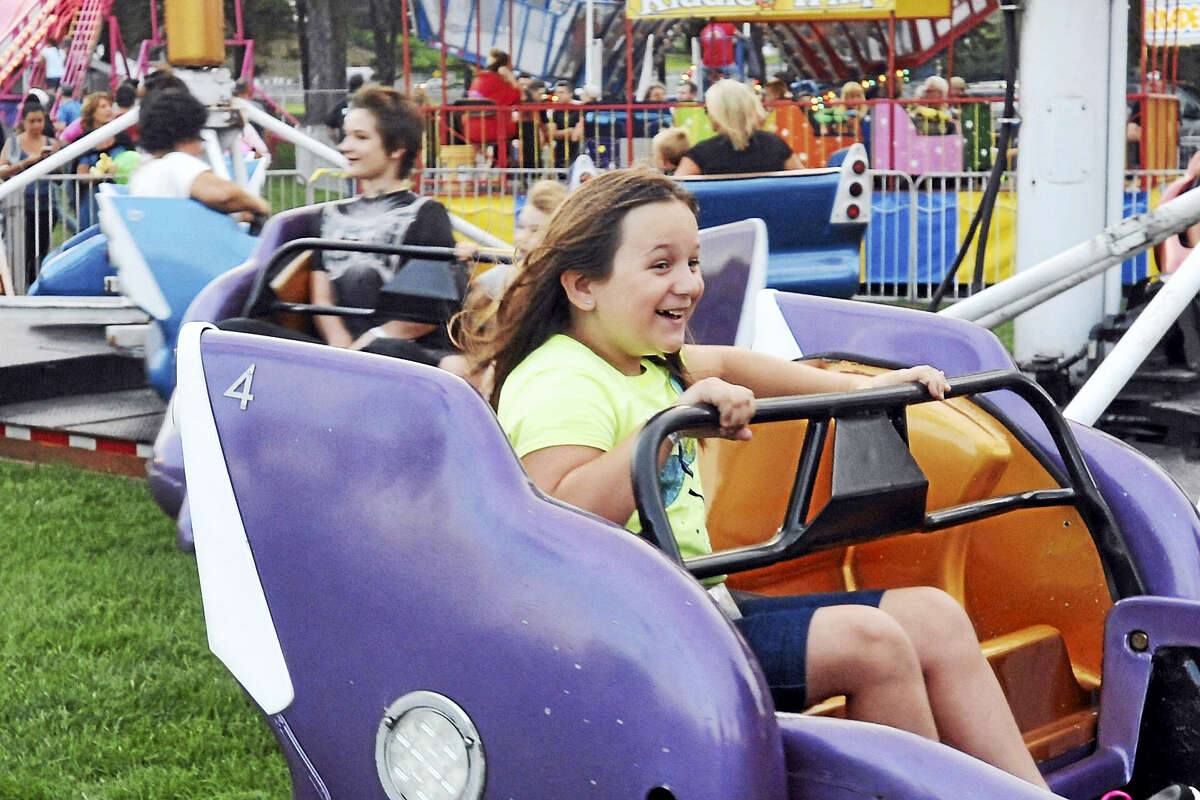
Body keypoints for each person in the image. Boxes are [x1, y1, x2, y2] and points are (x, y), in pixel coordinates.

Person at [453, 168, 1050, 790]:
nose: (688, 283)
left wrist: (859, 387)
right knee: (871, 642)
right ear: (582, 286)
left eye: (692, 261)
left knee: (933, 616)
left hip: (695, 608)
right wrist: (670, 428)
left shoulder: (646, 359)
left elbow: (734, 362)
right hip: (629, 633)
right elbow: (562, 518)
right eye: (662, 266)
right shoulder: (561, 381)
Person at [221, 86, 462, 370]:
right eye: (347, 136)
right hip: (343, 348)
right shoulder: (329, 214)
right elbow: (322, 297)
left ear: (397, 148)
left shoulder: (426, 214)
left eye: (360, 138)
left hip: (400, 352)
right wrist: (341, 350)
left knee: (387, 350)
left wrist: (368, 343)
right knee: (232, 331)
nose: (345, 146)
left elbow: (421, 317)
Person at [128, 89, 269, 219]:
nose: (201, 149)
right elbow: (224, 195)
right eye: (199, 138)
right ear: (184, 139)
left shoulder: (143, 173)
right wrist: (260, 205)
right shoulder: (176, 162)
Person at [674, 79, 803, 176]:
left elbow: (676, 194)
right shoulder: (775, 145)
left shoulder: (700, 154)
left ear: (718, 113)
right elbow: (806, 183)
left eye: (708, 110)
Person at [468, 178, 568, 299]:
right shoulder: (504, 275)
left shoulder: (571, 286)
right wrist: (465, 268)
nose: (521, 237)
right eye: (520, 226)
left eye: (535, 230)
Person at [0, 100, 60, 287]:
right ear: (24, 122)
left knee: (42, 250)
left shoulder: (52, 143)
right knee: (21, 251)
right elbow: (2, 170)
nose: (36, 125)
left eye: (40, 121)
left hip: (46, 205)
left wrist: (51, 163)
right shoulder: (13, 143)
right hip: (20, 206)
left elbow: (60, 176)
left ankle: (36, 285)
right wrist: (27, 163)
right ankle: (19, 285)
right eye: (32, 121)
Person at [73, 91, 134, 229]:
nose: (108, 109)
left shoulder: (123, 139)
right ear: (92, 112)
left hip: (121, 199)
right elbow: (81, 175)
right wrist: (101, 173)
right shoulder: (84, 142)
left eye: (109, 106)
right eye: (102, 106)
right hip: (93, 202)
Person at [547, 78, 582, 169]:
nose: (558, 95)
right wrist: (568, 131)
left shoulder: (580, 108)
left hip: (578, 151)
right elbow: (552, 133)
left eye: (561, 92)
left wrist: (562, 133)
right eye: (557, 92)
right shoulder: (554, 111)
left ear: (570, 94)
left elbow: (578, 134)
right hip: (560, 152)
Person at [326, 73, 365, 142]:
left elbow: (330, 129)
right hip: (362, 146)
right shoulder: (367, 105)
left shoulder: (341, 104)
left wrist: (338, 143)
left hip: (345, 146)